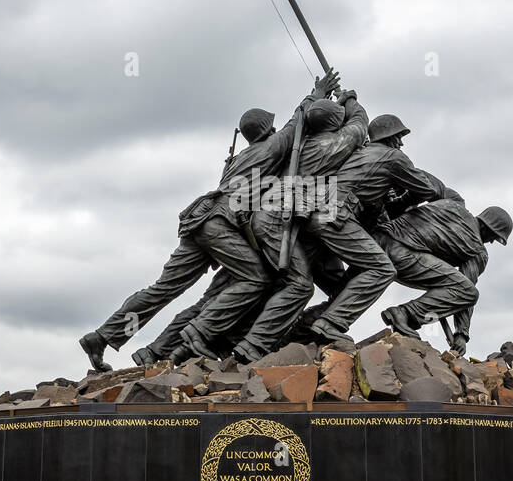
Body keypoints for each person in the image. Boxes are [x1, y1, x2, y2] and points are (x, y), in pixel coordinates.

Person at [78, 73, 339, 372]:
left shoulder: (240, 157)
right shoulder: (271, 147)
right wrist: (317, 93)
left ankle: (103, 336)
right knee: (255, 278)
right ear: (268, 130)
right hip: (220, 222)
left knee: (164, 288)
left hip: (199, 219)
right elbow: (299, 122)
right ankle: (198, 332)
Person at [298, 102, 446, 345]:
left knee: (345, 282)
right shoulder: (393, 157)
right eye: (399, 137)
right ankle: (330, 323)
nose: (401, 143)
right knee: (382, 269)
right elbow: (427, 189)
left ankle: (304, 326)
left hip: (317, 214)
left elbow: (370, 200)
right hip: (336, 215)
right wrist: (402, 199)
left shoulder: (360, 153)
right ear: (391, 137)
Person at [373, 187, 512, 354]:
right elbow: (464, 291)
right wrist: (461, 334)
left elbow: (422, 184)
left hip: (376, 238)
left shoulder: (453, 201)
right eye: (494, 237)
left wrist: (398, 196)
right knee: (468, 292)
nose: (490, 242)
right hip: (402, 256)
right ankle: (405, 314)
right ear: (490, 229)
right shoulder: (477, 251)